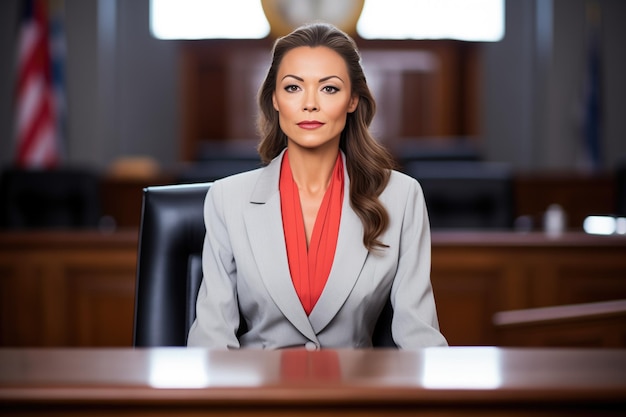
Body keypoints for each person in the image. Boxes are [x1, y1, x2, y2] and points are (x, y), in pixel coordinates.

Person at [187, 22, 447, 349]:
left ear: (353, 99)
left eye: (329, 88)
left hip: (355, 395)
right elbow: (211, 340)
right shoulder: (227, 199)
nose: (310, 104)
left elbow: (419, 338)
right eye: (294, 88)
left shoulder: (401, 197)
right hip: (257, 395)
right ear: (275, 99)